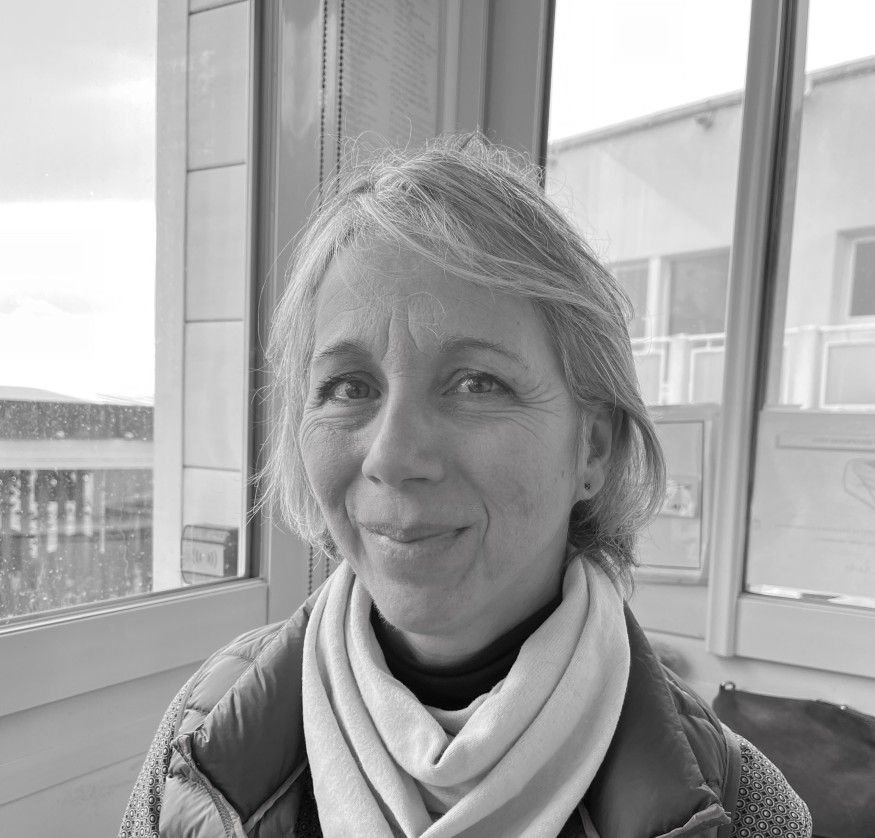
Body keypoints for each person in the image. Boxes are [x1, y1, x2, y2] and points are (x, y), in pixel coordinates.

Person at [119, 135, 811, 838]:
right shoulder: (204, 736)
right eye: (349, 386)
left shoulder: (745, 809)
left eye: (477, 383)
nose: (392, 456)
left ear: (592, 447)